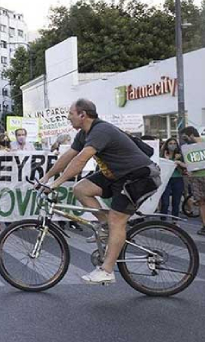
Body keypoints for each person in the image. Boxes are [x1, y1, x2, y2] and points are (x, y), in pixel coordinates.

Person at [38, 99, 161, 285]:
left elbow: (80, 160)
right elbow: (68, 156)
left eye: (70, 113)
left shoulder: (100, 131)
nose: (68, 117)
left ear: (82, 115)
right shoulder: (83, 134)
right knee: (80, 189)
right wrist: (46, 177)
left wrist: (58, 182)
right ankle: (105, 228)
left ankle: (107, 270)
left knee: (116, 220)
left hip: (139, 176)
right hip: (117, 176)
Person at [180, 127, 205, 236]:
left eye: (185, 137)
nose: (184, 140)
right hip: (197, 177)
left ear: (191, 135)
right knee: (202, 202)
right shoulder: (188, 148)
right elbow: (190, 163)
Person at [159, 138, 186, 221]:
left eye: (174, 143)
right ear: (167, 145)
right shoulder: (162, 155)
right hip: (166, 180)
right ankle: (163, 220)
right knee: (165, 202)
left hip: (177, 179)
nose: (172, 145)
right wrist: (167, 160)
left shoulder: (180, 155)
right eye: (170, 143)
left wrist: (179, 162)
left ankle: (175, 220)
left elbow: (186, 166)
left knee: (176, 202)